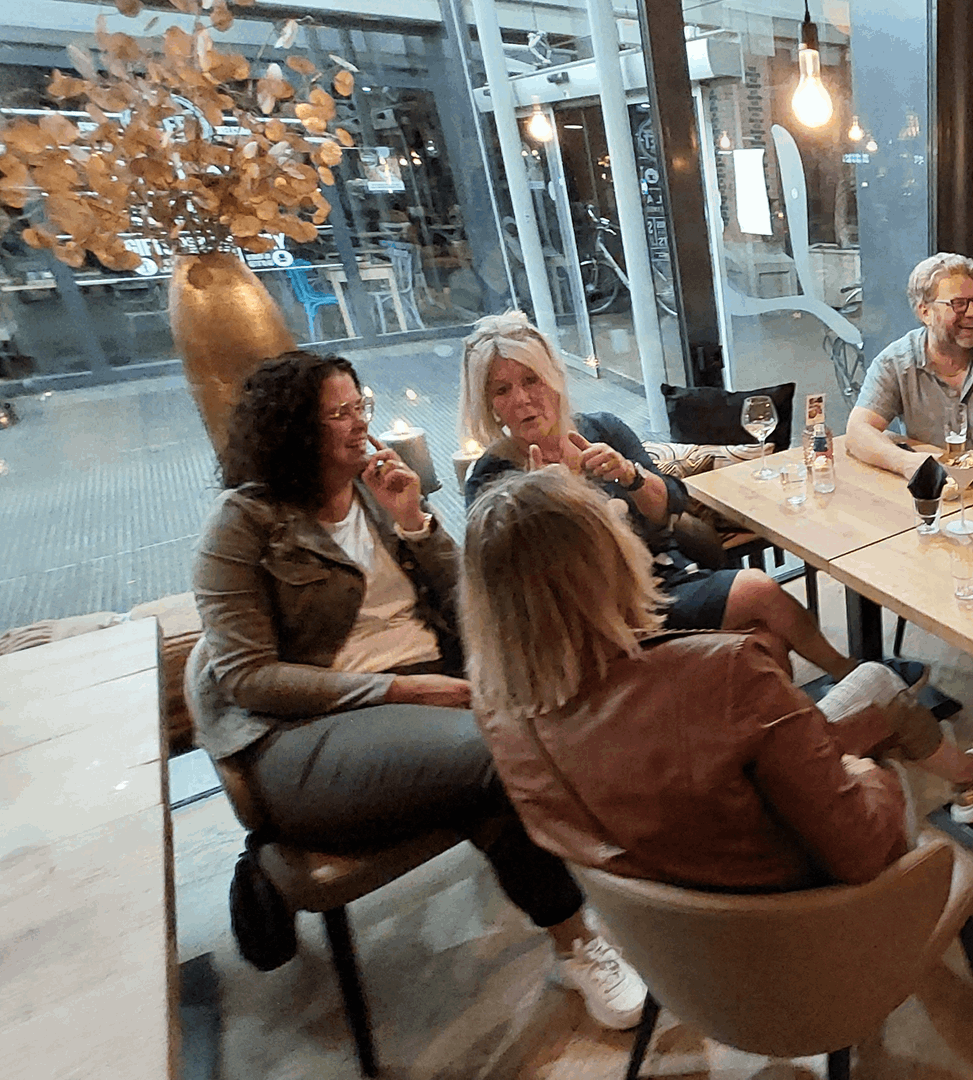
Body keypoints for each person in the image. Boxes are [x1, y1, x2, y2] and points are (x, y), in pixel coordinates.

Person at [185, 351, 648, 1029]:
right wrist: (398, 691)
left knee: (563, 716)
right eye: (339, 413)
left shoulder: (379, 491)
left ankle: (588, 928)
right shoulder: (242, 524)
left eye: (360, 406)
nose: (359, 424)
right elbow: (247, 677)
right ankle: (589, 931)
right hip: (301, 737)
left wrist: (414, 523)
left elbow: (472, 601)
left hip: (429, 699)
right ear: (291, 427)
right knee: (500, 754)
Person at [460, 468, 973, 890]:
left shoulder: (500, 714)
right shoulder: (723, 670)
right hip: (795, 901)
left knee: (875, 686)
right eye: (611, 525)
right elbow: (861, 852)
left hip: (673, 927)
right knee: (879, 699)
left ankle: (971, 772)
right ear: (606, 563)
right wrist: (867, 774)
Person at [457, 310, 860, 681]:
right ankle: (851, 680)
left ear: (554, 379)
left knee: (764, 638)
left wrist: (630, 474)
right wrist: (548, 502)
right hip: (595, 618)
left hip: (662, 579)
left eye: (531, 380)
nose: (522, 399)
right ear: (489, 405)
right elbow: (514, 593)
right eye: (502, 390)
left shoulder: (602, 429)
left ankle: (821, 698)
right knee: (757, 594)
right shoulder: (493, 478)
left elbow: (671, 505)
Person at [846, 252, 973, 482]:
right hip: (934, 484)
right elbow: (857, 431)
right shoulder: (896, 362)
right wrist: (906, 462)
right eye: (959, 304)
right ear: (925, 312)